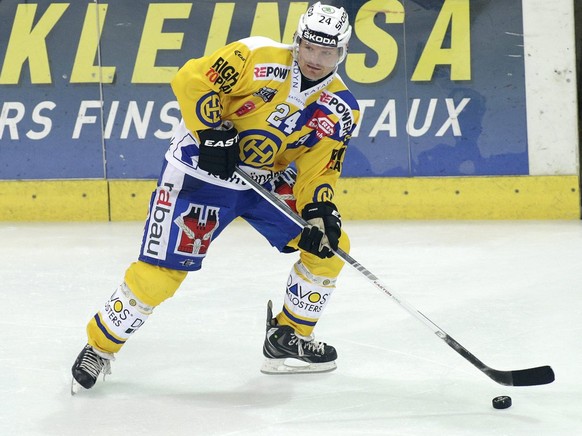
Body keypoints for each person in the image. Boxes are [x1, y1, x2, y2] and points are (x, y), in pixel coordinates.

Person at [71, 1, 360, 392]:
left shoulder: (341, 109)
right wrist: (209, 130)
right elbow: (193, 79)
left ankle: (288, 338)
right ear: (297, 41)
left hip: (264, 184)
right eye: (309, 47)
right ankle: (100, 346)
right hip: (199, 174)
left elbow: (320, 167)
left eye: (326, 52)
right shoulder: (254, 55)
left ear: (341, 54)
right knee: (162, 274)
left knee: (329, 243)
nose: (314, 58)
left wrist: (319, 209)